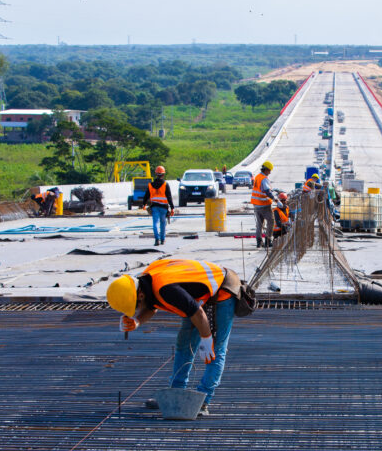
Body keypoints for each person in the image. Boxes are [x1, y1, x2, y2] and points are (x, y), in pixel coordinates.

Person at [107, 260, 239, 416]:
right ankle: (176, 395)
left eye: (136, 306)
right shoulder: (146, 281)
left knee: (215, 350)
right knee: (184, 344)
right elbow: (151, 305)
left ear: (140, 294)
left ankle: (203, 401)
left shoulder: (166, 289)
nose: (137, 309)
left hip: (223, 289)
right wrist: (136, 321)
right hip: (196, 297)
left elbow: (197, 313)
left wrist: (207, 339)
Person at [141, 166, 175, 246]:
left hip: (154, 207)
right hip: (163, 207)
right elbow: (169, 197)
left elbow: (146, 196)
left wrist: (144, 204)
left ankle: (157, 239)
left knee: (155, 223)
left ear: (156, 174)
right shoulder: (166, 184)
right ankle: (162, 240)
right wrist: (172, 208)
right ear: (163, 174)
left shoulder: (150, 185)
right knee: (163, 224)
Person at [251, 161, 277, 249]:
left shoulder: (257, 176)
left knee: (259, 224)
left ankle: (259, 242)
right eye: (269, 171)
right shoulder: (264, 178)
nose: (270, 172)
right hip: (264, 205)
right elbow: (267, 191)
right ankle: (268, 241)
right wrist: (275, 199)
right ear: (266, 170)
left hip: (256, 205)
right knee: (271, 221)